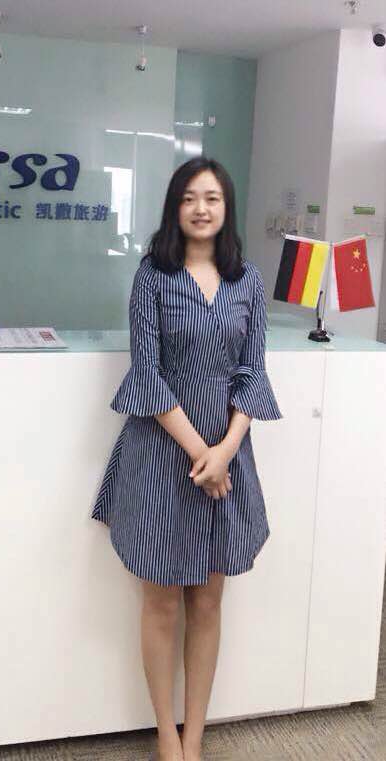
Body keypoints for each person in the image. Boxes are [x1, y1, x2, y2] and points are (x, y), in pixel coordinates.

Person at [91, 156, 283, 761]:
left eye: (212, 198)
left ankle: (195, 736)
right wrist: (202, 451)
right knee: (161, 599)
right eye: (189, 198)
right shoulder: (153, 276)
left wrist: (225, 450)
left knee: (207, 598)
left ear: (227, 209)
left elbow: (253, 372)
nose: (201, 208)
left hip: (227, 459)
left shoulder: (247, 280)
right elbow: (145, 373)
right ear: (175, 208)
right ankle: (165, 736)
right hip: (161, 455)